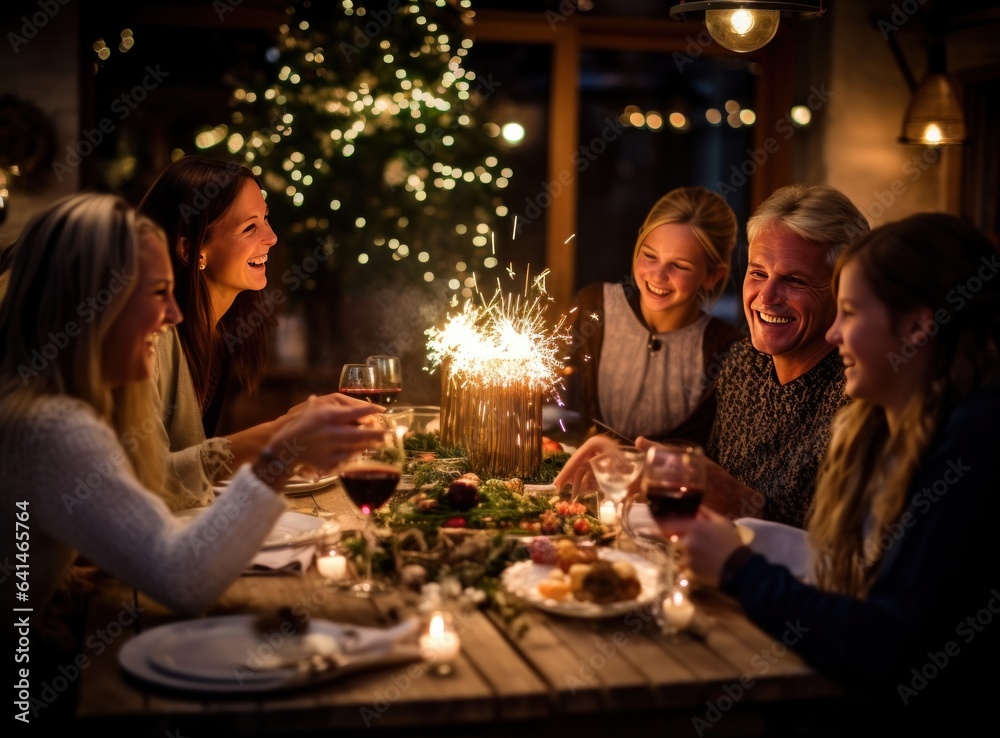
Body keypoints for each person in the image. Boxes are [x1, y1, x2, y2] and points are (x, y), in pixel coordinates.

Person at [660, 212, 1000, 728]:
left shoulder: (973, 438)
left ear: (917, 326)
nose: (835, 333)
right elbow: (853, 577)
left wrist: (738, 569)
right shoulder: (918, 423)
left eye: (850, 312)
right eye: (757, 272)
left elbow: (883, 644)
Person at [0, 192, 385, 644]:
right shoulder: (56, 427)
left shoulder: (37, 404)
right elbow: (184, 579)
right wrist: (280, 455)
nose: (173, 314)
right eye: (158, 293)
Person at [557, 184, 867, 529]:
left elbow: (845, 554)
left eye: (794, 280)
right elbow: (707, 482)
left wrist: (749, 509)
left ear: (844, 289)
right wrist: (626, 459)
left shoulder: (862, 393)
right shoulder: (743, 363)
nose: (766, 296)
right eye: (758, 273)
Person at [137, 155, 350, 508]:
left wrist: (288, 425)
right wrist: (278, 438)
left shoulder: (219, 337)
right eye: (249, 228)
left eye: (265, 218)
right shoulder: (150, 339)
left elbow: (193, 465)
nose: (271, 237)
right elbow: (143, 482)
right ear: (191, 250)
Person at [564, 186, 741, 446]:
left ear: (712, 276)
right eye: (649, 256)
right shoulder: (593, 308)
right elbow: (557, 406)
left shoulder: (727, 349)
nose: (658, 276)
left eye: (680, 265)